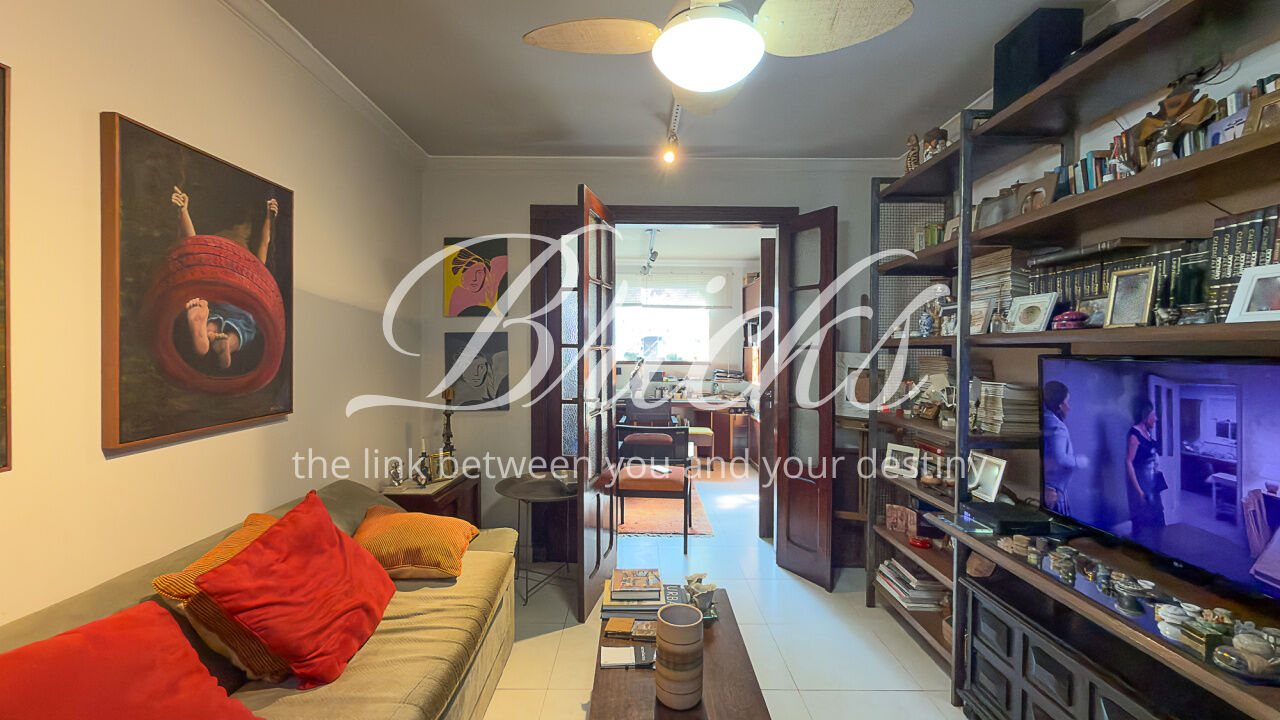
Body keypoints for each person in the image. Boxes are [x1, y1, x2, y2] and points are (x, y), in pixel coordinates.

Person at [172, 186, 275, 370]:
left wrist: (183, 212)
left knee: (213, 319)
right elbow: (264, 242)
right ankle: (226, 344)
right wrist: (269, 218)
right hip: (243, 307)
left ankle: (207, 334)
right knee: (244, 328)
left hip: (218, 302)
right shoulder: (250, 264)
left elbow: (192, 245)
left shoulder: (216, 259)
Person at [1041, 381, 1087, 515]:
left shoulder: (1045, 419)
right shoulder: (1057, 427)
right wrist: (1081, 461)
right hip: (1054, 493)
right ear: (1060, 405)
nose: (1069, 407)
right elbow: (1060, 459)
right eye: (1067, 402)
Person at [1126, 397, 1167, 538]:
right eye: (1153, 415)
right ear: (1145, 415)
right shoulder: (1134, 435)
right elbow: (1128, 463)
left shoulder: (1147, 432)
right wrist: (1138, 491)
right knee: (1144, 524)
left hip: (1152, 483)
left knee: (1159, 518)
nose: (1156, 419)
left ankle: (1160, 548)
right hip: (1142, 485)